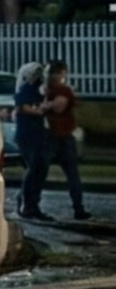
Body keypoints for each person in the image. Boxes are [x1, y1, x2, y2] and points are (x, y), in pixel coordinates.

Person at [45, 59, 90, 220]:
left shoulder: (46, 90)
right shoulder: (62, 90)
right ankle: (78, 208)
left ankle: (28, 204)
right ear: (62, 73)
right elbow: (60, 106)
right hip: (60, 136)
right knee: (71, 174)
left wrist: (44, 105)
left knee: (38, 171)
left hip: (52, 135)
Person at [15, 62, 51, 220]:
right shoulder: (25, 90)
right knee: (34, 166)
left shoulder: (40, 91)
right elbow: (23, 107)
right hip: (27, 135)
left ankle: (33, 204)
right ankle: (25, 200)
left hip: (38, 135)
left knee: (41, 168)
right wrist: (39, 110)